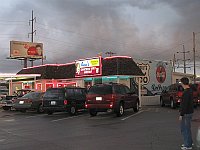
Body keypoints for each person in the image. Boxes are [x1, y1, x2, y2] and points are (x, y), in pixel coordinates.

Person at [179, 77, 194, 150]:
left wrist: (181, 114)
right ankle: (189, 142)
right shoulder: (190, 90)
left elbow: (184, 105)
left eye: (181, 83)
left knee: (184, 129)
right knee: (187, 128)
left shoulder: (186, 92)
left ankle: (187, 145)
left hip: (186, 113)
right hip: (190, 112)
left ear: (183, 83)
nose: (181, 84)